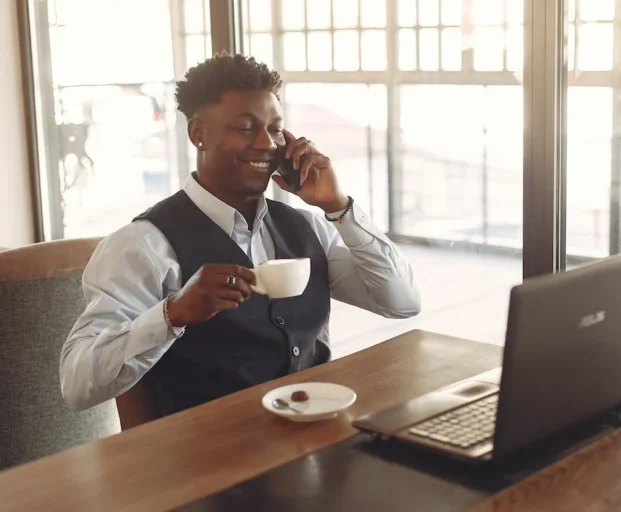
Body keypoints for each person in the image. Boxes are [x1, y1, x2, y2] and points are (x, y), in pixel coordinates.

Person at [60, 53, 421, 417]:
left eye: (276, 129)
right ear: (198, 134)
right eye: (246, 128)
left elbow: (401, 302)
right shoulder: (142, 247)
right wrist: (172, 315)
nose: (267, 143)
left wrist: (338, 207)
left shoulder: (306, 227)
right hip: (210, 456)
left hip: (317, 437)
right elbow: (76, 384)